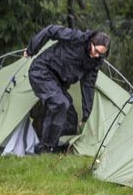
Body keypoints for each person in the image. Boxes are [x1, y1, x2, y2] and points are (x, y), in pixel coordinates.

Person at [24, 24, 110, 154]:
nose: (96, 55)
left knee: (70, 114)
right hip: (41, 71)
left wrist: (86, 113)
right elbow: (51, 30)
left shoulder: (94, 63)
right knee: (60, 103)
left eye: (100, 54)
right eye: (95, 50)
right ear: (91, 42)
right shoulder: (76, 37)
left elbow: (88, 86)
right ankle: (45, 148)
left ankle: (55, 145)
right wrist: (31, 49)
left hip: (58, 84)